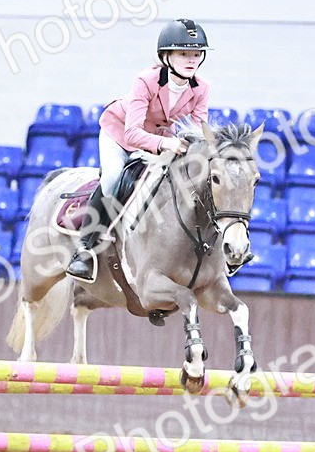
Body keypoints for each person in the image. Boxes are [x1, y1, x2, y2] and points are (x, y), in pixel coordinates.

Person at [65, 18, 212, 283]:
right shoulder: (146, 80)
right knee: (112, 178)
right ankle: (84, 249)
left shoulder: (201, 88)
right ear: (166, 56)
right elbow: (132, 132)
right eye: (183, 53)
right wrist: (167, 143)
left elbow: (198, 130)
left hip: (158, 142)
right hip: (120, 134)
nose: (191, 59)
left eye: (196, 54)